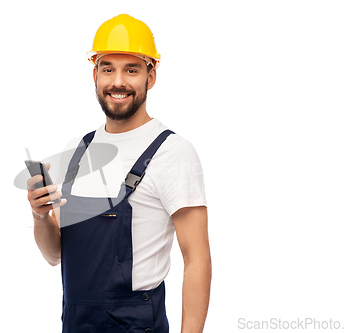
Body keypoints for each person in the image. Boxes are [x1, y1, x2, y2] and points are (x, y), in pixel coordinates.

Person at [27, 14, 211, 333]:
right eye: (108, 68)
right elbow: (55, 255)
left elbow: (197, 260)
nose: (118, 82)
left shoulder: (173, 153)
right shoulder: (75, 152)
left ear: (151, 76)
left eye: (132, 69)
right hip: (74, 321)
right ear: (95, 74)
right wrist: (40, 215)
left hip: (137, 323)